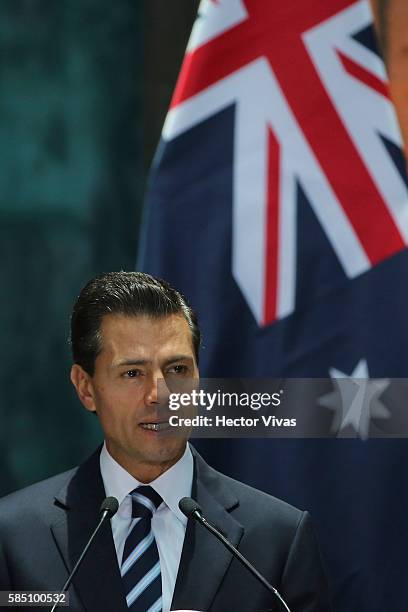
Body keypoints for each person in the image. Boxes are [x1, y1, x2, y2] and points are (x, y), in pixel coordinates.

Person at [0, 271, 332, 611]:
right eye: (132, 373)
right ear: (86, 387)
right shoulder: (13, 536)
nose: (160, 395)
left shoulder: (278, 539)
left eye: (177, 370)